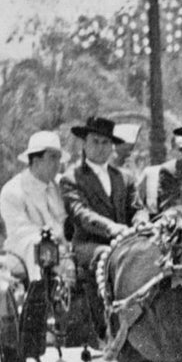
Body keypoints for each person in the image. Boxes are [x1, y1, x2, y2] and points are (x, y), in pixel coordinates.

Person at [60, 116, 138, 272]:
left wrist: (141, 221)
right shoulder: (72, 178)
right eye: (95, 141)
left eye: (105, 142)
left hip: (125, 243)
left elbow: (136, 208)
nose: (101, 147)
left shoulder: (124, 177)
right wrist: (110, 227)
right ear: (84, 144)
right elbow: (81, 213)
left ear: (112, 147)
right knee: (109, 256)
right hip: (88, 246)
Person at [0, 130, 74, 285]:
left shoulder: (62, 185)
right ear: (36, 161)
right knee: (42, 249)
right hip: (26, 247)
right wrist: (54, 237)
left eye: (59, 158)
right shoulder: (12, 191)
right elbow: (20, 232)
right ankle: (41, 298)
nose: (58, 164)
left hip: (64, 246)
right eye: (53, 158)